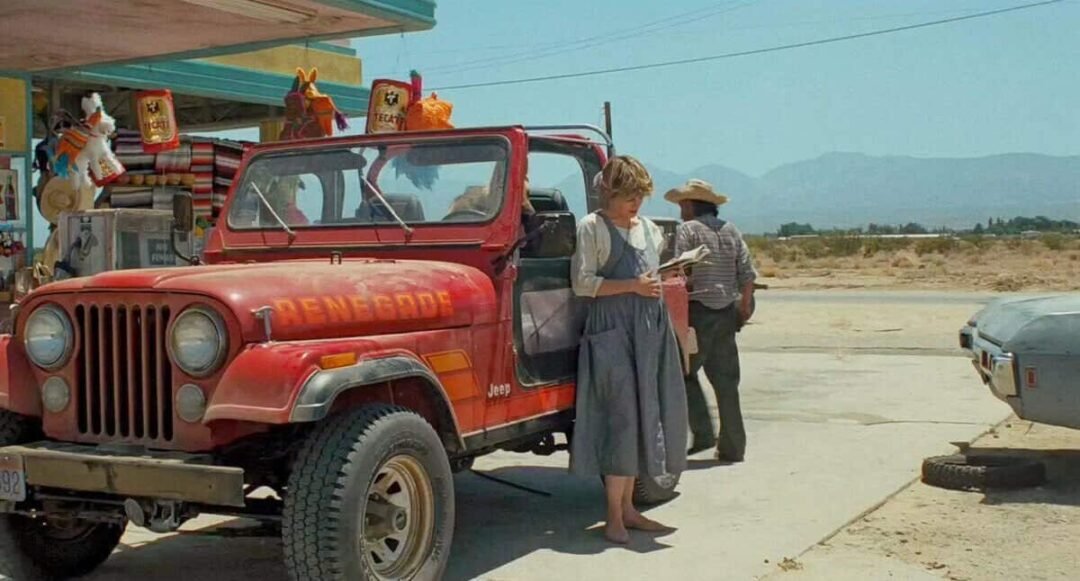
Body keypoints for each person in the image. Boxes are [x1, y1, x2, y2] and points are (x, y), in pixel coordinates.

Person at [570, 155, 688, 544]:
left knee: (645, 413)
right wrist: (632, 287)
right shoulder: (593, 227)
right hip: (613, 331)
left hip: (648, 329)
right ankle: (613, 516)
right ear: (609, 193)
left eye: (640, 196)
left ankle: (630, 510)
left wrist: (665, 276)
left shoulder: (650, 229)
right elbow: (583, 284)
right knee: (620, 418)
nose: (635, 204)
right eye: (628, 196)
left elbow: (649, 275)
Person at [665, 179, 756, 462]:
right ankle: (733, 446)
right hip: (726, 311)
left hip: (699, 313)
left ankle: (703, 432)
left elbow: (680, 271)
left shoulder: (688, 230)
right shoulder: (731, 230)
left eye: (683, 204)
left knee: (685, 374)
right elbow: (747, 275)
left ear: (691, 204)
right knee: (727, 382)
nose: (681, 210)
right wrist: (743, 307)